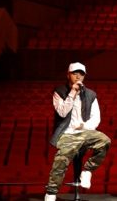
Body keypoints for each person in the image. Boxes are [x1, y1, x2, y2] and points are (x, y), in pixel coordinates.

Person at [45, 62, 111, 201]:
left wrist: (85, 129)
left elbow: (96, 118)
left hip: (85, 131)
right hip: (66, 133)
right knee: (62, 159)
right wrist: (73, 92)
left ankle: (87, 171)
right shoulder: (59, 92)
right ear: (68, 75)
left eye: (81, 74)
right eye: (75, 73)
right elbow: (62, 112)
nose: (78, 76)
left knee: (104, 141)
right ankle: (51, 192)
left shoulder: (91, 95)